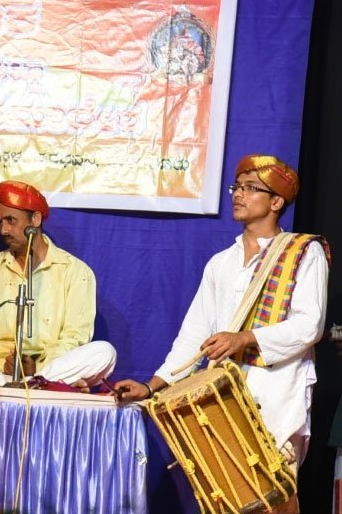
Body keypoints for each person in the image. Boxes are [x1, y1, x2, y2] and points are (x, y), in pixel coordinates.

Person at [115, 154, 330, 510]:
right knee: (226, 501)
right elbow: (194, 335)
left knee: (273, 497)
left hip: (278, 392)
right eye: (237, 187)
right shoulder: (221, 263)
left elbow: (310, 325)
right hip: (222, 397)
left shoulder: (304, 253)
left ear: (276, 202)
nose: (238, 194)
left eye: (251, 188)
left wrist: (244, 338)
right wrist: (152, 386)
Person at [0, 180, 116, 390]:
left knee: (104, 353)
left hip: (48, 369)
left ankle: (36, 383)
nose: (4, 230)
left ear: (35, 219)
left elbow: (75, 338)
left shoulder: (76, 271)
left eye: (11, 220)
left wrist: (37, 367)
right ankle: (42, 387)